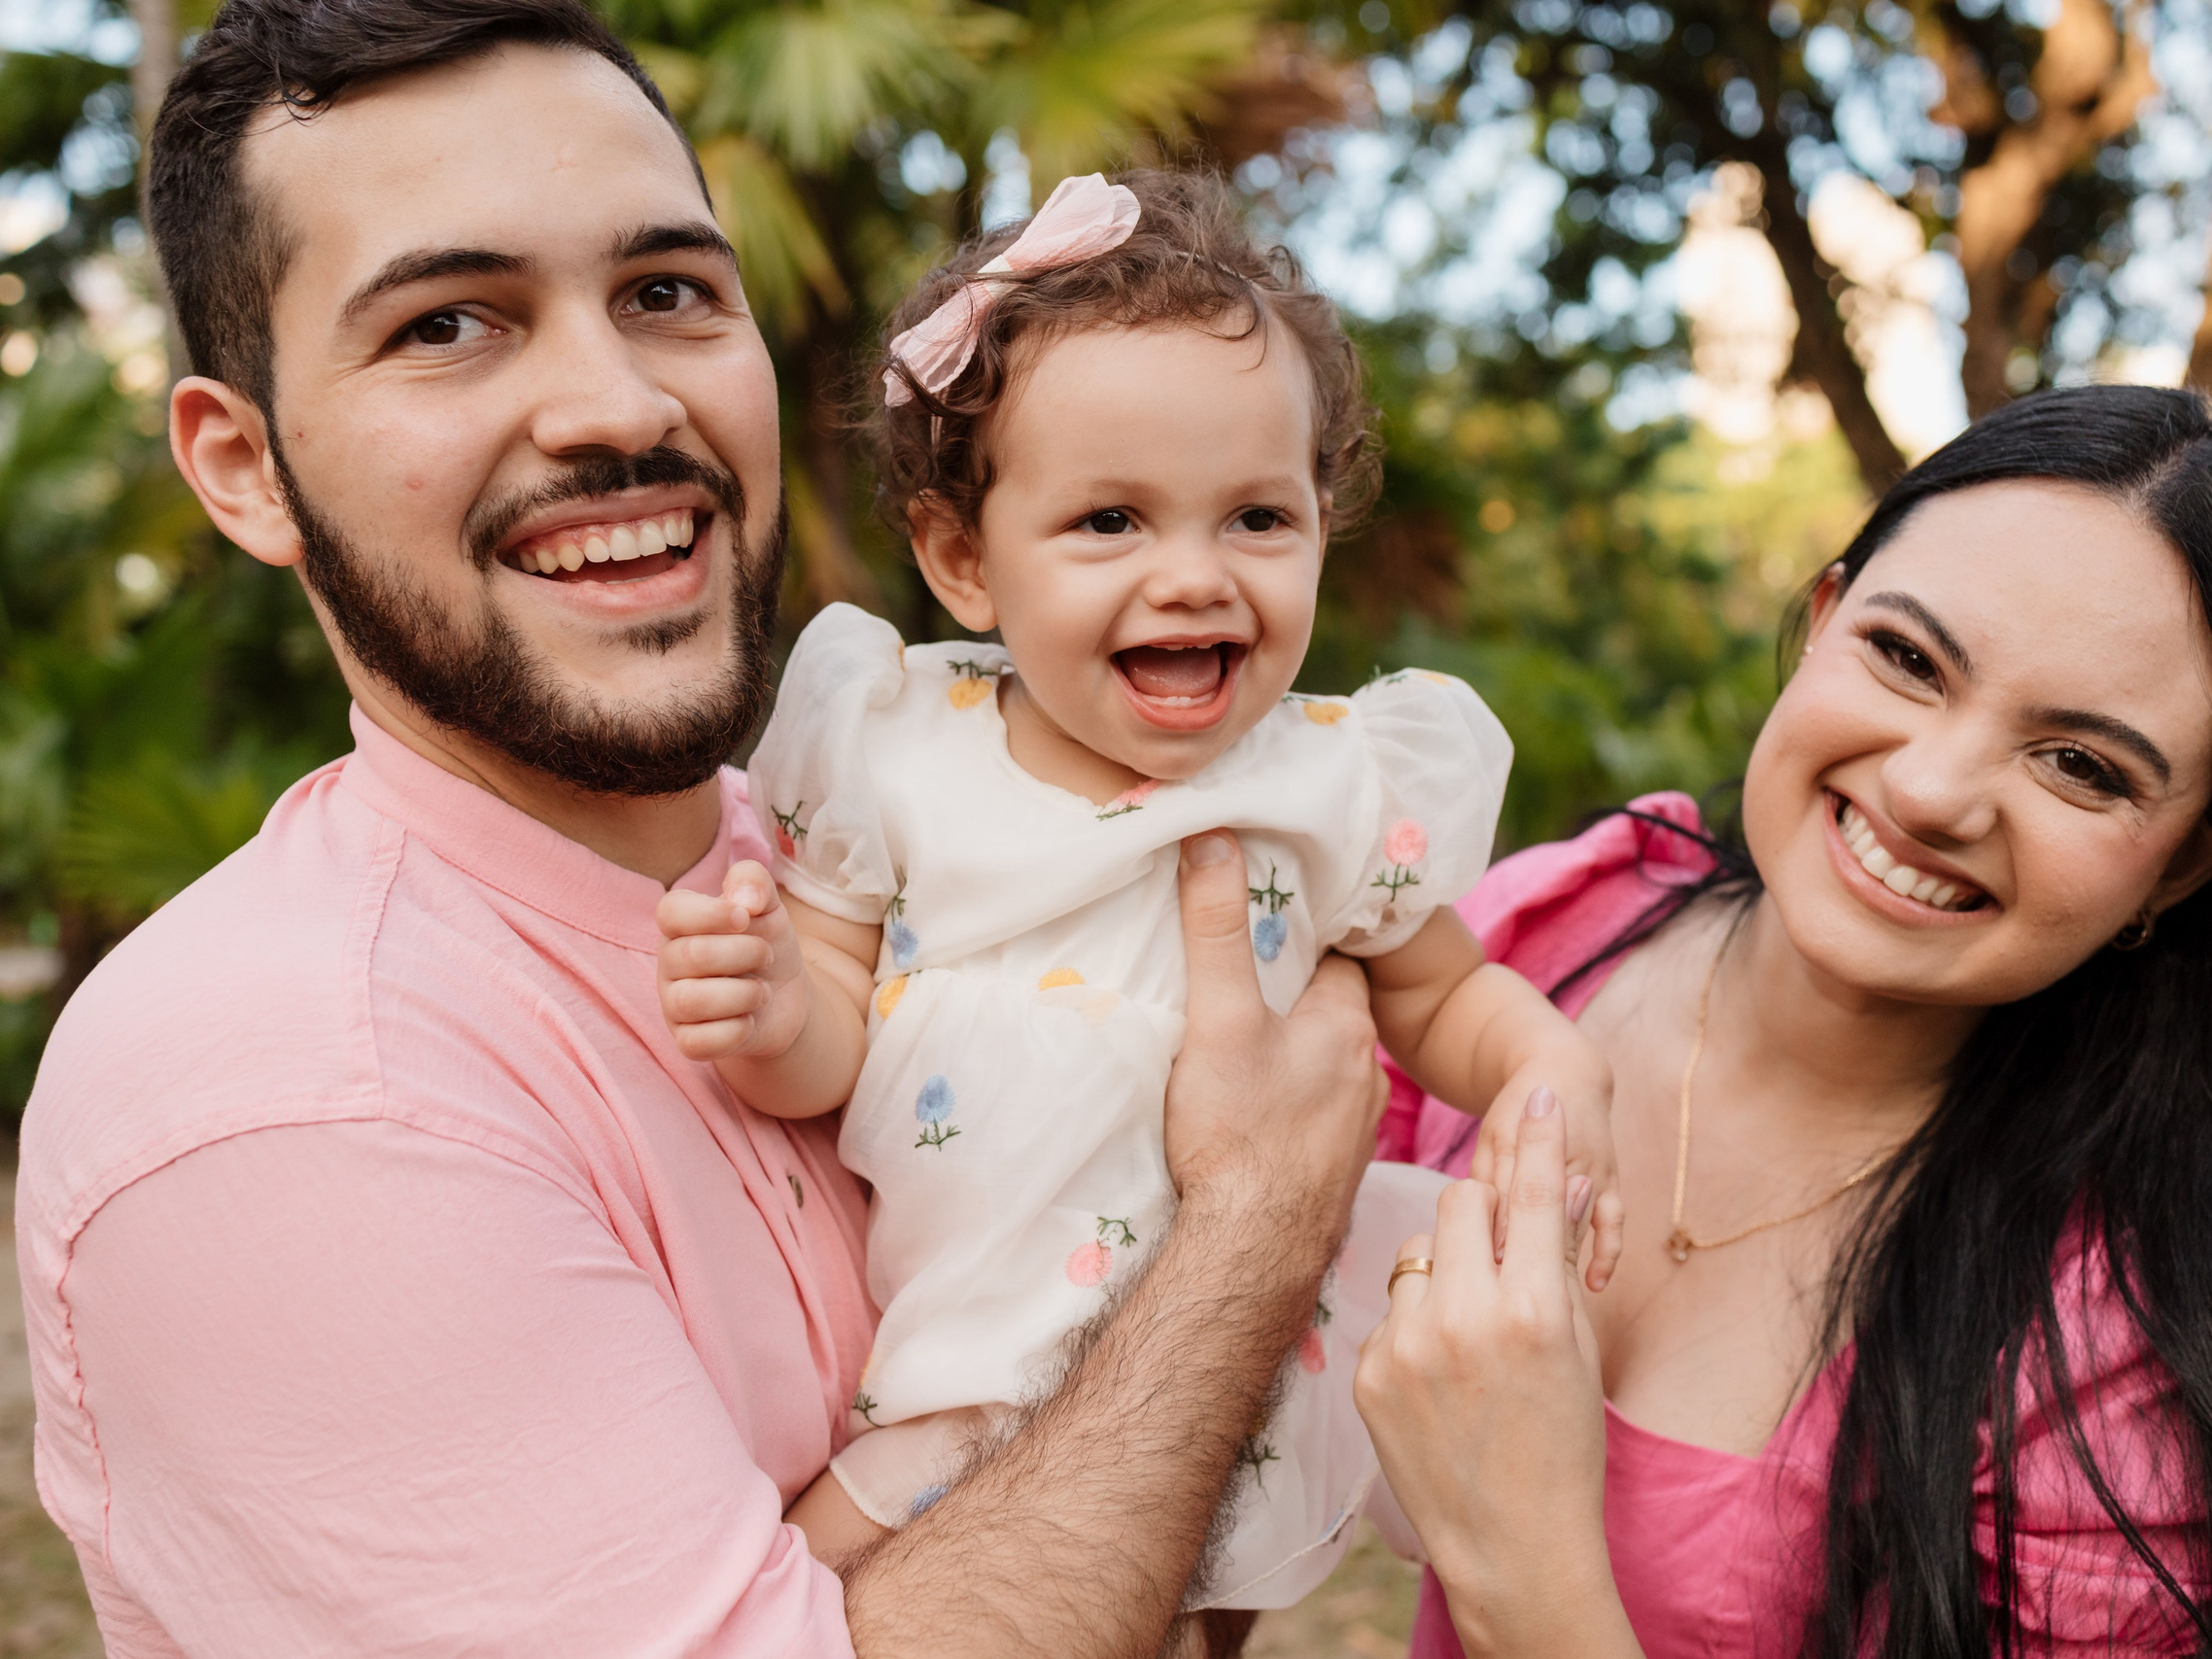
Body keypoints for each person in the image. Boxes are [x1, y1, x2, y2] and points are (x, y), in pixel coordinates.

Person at [15, 4, 1392, 1654]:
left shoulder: (893, 860)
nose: (611, 404)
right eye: (451, 323)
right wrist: (1252, 1229)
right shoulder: (288, 1094)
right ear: (243, 469)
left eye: (666, 293)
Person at [1354, 388, 2212, 1657]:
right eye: (1906, 658)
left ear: (2188, 863)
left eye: (2082, 766)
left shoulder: (2138, 1359)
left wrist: (1524, 1571)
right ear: (1825, 617)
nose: (1930, 790)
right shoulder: (1535, 940)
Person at [649, 167, 1617, 1603]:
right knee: (821, 1595)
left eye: (1256, 521)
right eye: (1111, 522)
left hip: (1232, 1361)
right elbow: (831, 1040)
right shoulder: (902, 747)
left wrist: (1544, 1061)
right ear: (964, 559)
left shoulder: (1331, 781)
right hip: (965, 1357)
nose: (1193, 577)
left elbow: (1443, 989)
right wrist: (775, 1006)